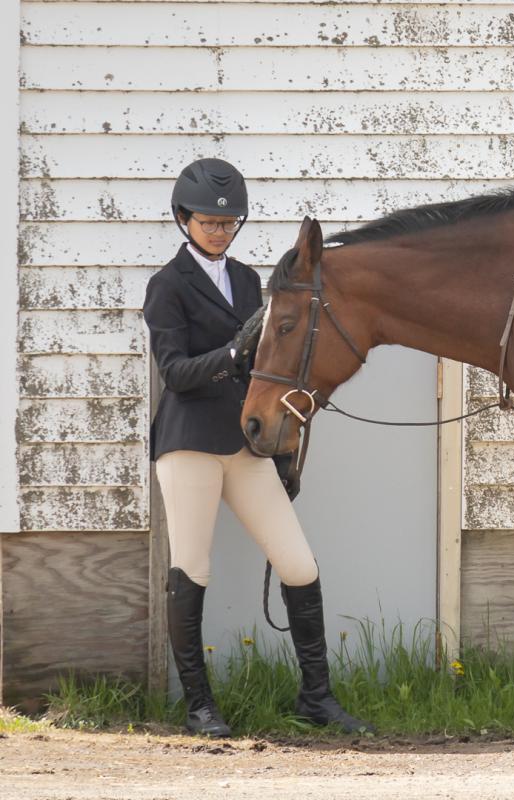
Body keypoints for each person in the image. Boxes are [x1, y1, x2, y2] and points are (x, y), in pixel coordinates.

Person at [142, 158, 373, 737]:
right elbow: (173, 372)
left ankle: (315, 697)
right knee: (192, 567)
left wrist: (283, 452)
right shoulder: (166, 286)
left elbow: (270, 369)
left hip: (247, 445)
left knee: (297, 563)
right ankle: (199, 705)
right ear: (183, 220)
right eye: (208, 221)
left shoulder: (249, 282)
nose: (219, 230)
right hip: (190, 443)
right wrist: (232, 355)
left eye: (229, 222)